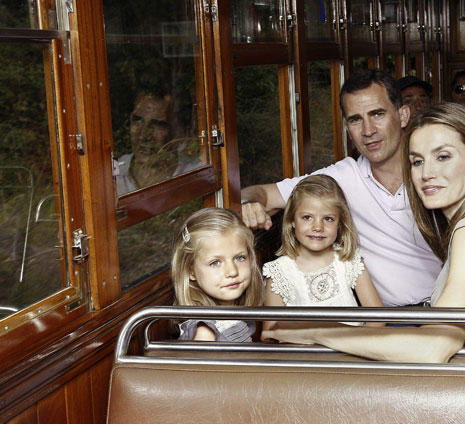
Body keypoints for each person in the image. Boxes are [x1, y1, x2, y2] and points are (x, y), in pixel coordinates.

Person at [262, 102, 465, 362]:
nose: (426, 173)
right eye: (417, 161)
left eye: (443, 157)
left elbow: (434, 348)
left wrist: (314, 332)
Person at [241, 70, 443, 308]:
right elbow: (260, 193)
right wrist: (247, 205)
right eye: (356, 120)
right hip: (392, 318)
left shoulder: (435, 170)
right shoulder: (342, 177)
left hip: (450, 307)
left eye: (377, 114)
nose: (368, 130)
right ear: (347, 128)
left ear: (403, 115)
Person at [262, 175, 384, 331]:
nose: (318, 227)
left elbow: (378, 318)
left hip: (353, 344)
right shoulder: (280, 272)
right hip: (302, 347)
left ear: (340, 223)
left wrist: (359, 342)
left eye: (328, 219)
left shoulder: (349, 260)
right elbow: (271, 332)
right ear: (292, 220)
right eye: (307, 217)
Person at [171, 207, 263, 341]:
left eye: (239, 258)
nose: (232, 271)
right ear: (191, 271)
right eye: (215, 263)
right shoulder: (205, 332)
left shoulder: (235, 313)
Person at [116, 92, 201, 195]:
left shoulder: (196, 176)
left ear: (179, 132)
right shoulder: (113, 176)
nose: (143, 136)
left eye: (158, 125)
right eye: (138, 121)